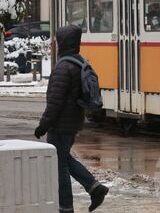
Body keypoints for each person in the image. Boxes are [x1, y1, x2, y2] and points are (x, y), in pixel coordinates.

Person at [34, 25, 108, 212]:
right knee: (64, 159)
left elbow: (55, 103)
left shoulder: (63, 67)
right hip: (73, 123)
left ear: (63, 42)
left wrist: (43, 125)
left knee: (60, 168)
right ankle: (95, 188)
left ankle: (66, 208)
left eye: (58, 42)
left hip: (60, 126)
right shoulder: (78, 62)